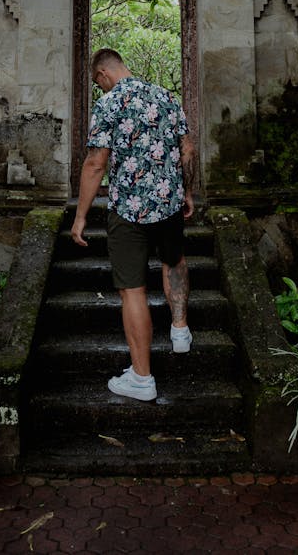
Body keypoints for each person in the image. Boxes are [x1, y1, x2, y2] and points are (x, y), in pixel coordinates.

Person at [71, 47, 197, 402]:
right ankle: (179, 328)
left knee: (133, 290)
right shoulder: (165, 96)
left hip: (128, 209)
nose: (101, 89)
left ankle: (142, 378)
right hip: (169, 203)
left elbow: (96, 164)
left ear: (102, 75)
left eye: (99, 84)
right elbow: (187, 149)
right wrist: (186, 191)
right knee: (175, 260)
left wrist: (81, 217)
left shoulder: (109, 104)